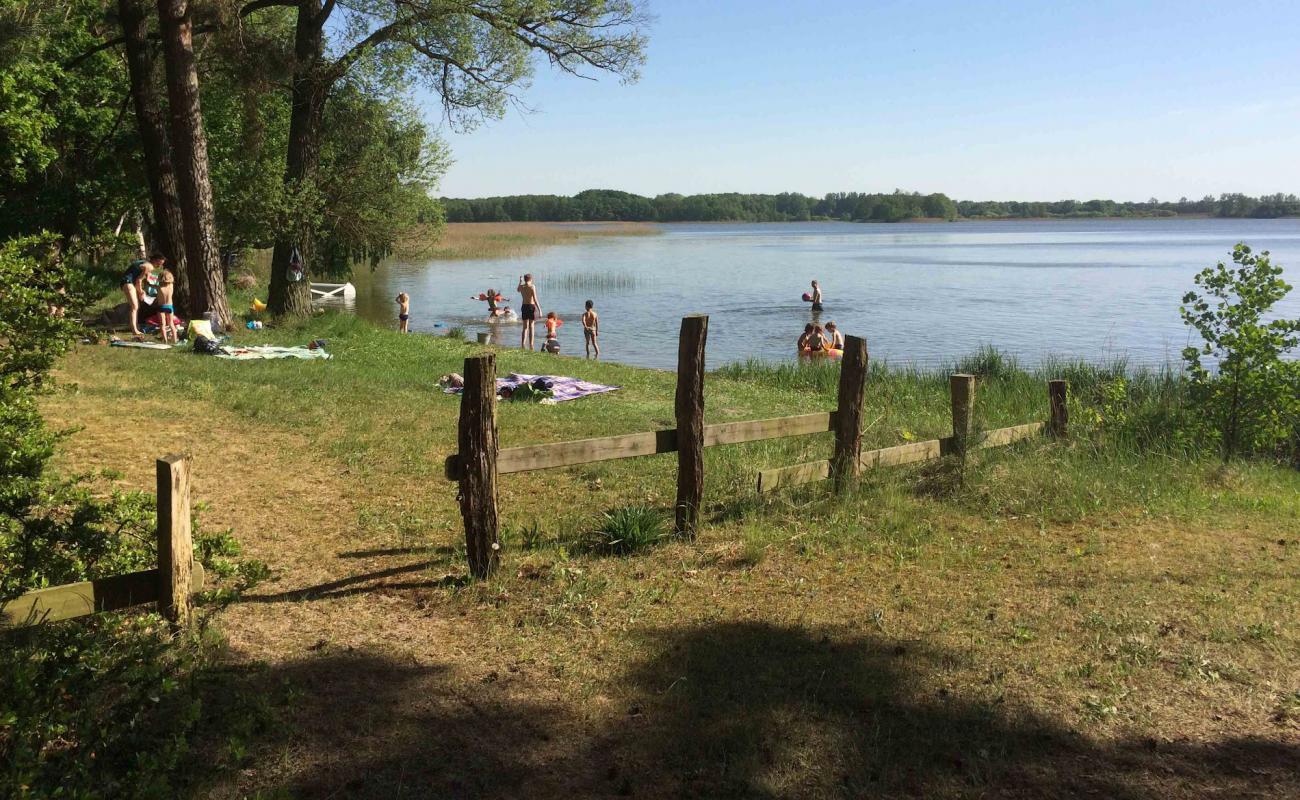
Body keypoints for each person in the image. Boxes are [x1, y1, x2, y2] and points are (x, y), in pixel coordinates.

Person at [121, 253, 163, 336]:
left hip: (127, 282)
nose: (159, 266)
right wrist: (141, 292)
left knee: (136, 306)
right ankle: (134, 330)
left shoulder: (144, 263)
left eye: (161, 264)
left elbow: (145, 279)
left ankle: (135, 327)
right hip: (128, 282)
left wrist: (142, 290)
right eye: (159, 264)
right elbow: (139, 281)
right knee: (134, 306)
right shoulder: (149, 266)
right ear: (154, 260)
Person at [518, 273, 540, 350]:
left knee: (524, 327)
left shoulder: (522, 287)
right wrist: (540, 310)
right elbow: (535, 299)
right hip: (531, 306)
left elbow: (518, 290)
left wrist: (520, 282)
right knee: (531, 326)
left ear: (524, 279)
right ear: (531, 279)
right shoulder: (532, 286)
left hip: (524, 306)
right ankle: (531, 344)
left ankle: (523, 344)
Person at [157, 267, 178, 343]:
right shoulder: (171, 286)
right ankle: (175, 339)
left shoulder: (159, 287)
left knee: (162, 324)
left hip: (161, 307)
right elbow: (170, 280)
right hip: (169, 306)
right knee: (171, 324)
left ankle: (165, 340)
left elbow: (151, 284)